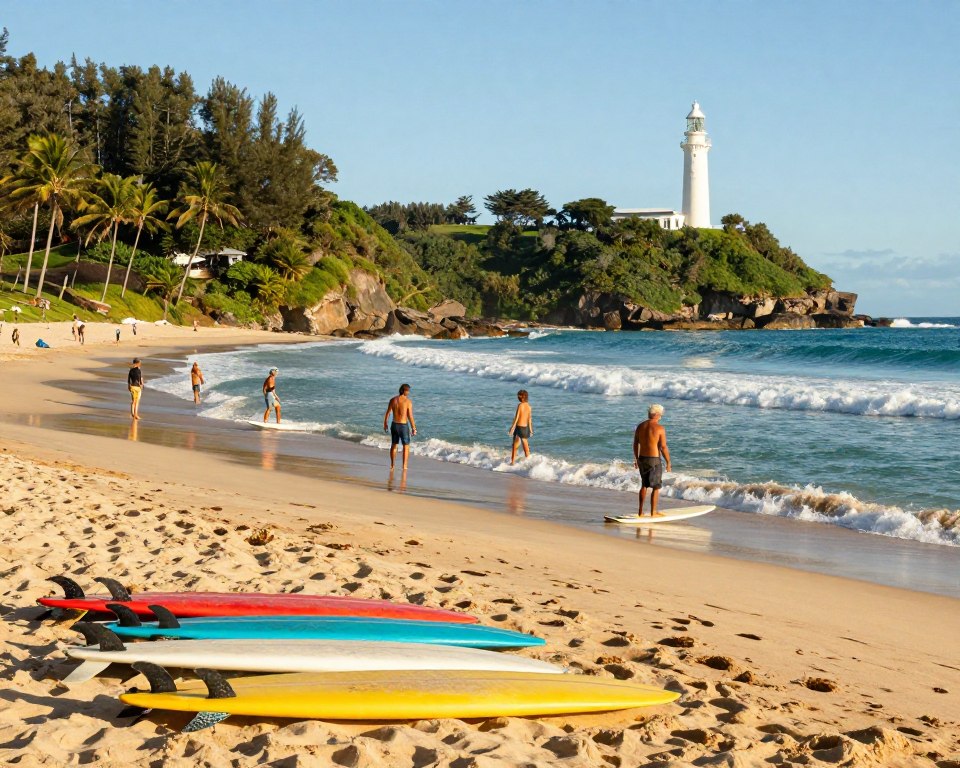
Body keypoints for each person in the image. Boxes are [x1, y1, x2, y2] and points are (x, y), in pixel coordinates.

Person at [633, 404, 671, 516]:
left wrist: (636, 458)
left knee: (644, 485)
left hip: (642, 459)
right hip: (654, 460)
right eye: (661, 414)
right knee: (655, 487)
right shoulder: (659, 428)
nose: (661, 416)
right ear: (657, 414)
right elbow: (663, 447)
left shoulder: (640, 426)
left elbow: (635, 443)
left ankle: (640, 512)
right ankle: (653, 512)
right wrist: (668, 462)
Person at [383, 383, 416, 470]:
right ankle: (404, 466)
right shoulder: (408, 402)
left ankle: (392, 465)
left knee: (394, 445)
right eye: (408, 391)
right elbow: (410, 416)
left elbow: (387, 413)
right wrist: (414, 428)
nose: (408, 392)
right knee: (406, 446)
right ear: (404, 391)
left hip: (394, 425)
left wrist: (385, 423)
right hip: (403, 426)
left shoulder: (393, 400)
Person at [508, 389, 533, 464]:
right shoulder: (529, 406)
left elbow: (516, 417)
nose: (518, 398)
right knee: (526, 449)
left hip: (519, 428)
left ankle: (512, 462)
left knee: (515, 446)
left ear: (522, 397)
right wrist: (531, 430)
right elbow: (529, 419)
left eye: (519, 396)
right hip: (525, 428)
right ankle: (529, 464)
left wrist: (512, 427)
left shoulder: (520, 405)